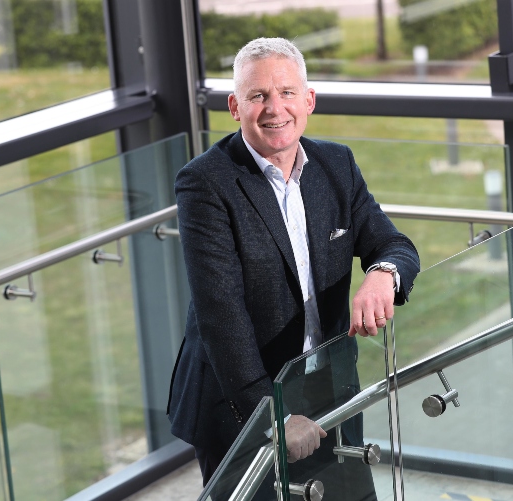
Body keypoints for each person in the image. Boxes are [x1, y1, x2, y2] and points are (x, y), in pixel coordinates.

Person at [167, 37, 420, 496]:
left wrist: (383, 273)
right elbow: (221, 316)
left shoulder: (336, 163)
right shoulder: (205, 184)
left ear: (308, 100)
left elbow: (394, 244)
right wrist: (274, 414)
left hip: (328, 386)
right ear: (234, 107)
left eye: (286, 93)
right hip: (241, 397)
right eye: (257, 95)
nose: (273, 108)